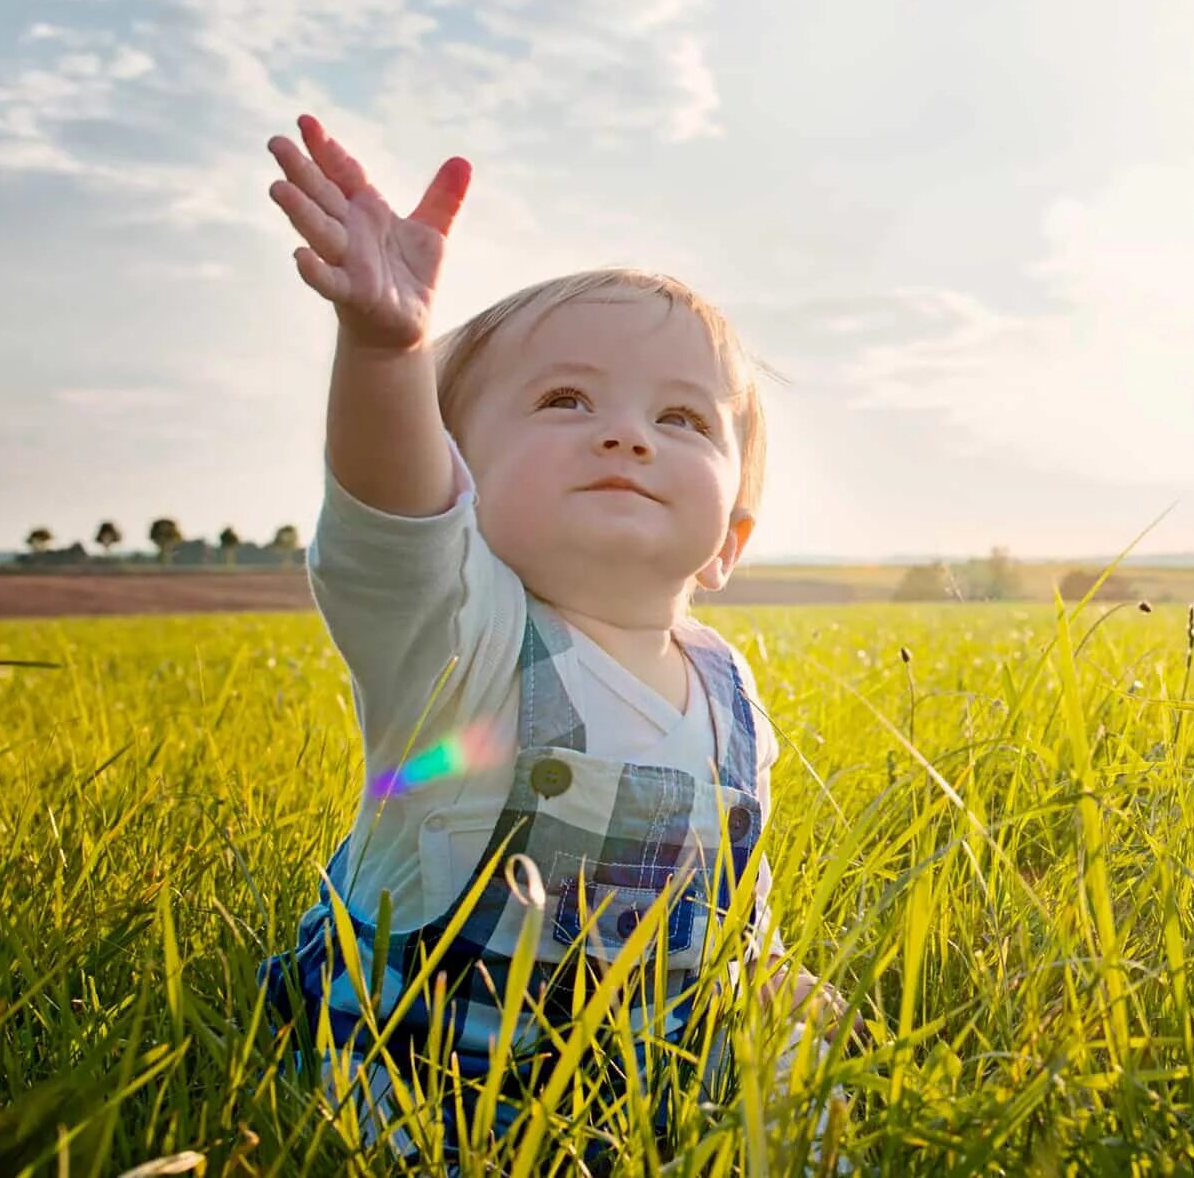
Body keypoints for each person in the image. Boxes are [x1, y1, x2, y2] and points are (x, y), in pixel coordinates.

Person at [253, 113, 855, 1171]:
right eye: (565, 399)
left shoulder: (726, 692)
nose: (625, 433)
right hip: (437, 1094)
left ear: (731, 541)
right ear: (459, 476)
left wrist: (762, 972)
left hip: (636, 1070)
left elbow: (718, 907)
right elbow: (393, 514)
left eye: (683, 418)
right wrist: (387, 349)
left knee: (812, 1079)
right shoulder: (461, 641)